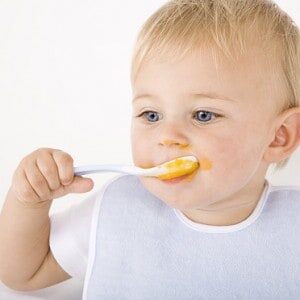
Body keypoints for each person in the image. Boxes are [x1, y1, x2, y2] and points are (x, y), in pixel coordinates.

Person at [0, 0, 299, 298]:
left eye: (203, 115)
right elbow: (26, 273)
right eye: (151, 115)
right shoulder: (119, 210)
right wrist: (29, 202)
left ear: (279, 137)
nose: (167, 136)